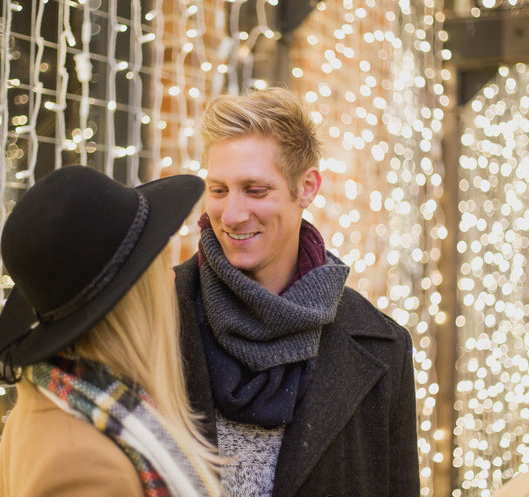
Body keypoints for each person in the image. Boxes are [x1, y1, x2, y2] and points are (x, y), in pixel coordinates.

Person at [174, 87, 420, 496]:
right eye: (218, 190)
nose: (231, 215)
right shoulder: (154, 318)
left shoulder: (383, 347)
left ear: (306, 188)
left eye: (255, 190)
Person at [0, 166, 222, 497]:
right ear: (131, 299)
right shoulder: (85, 466)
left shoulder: (60, 400)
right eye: (158, 262)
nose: (172, 277)